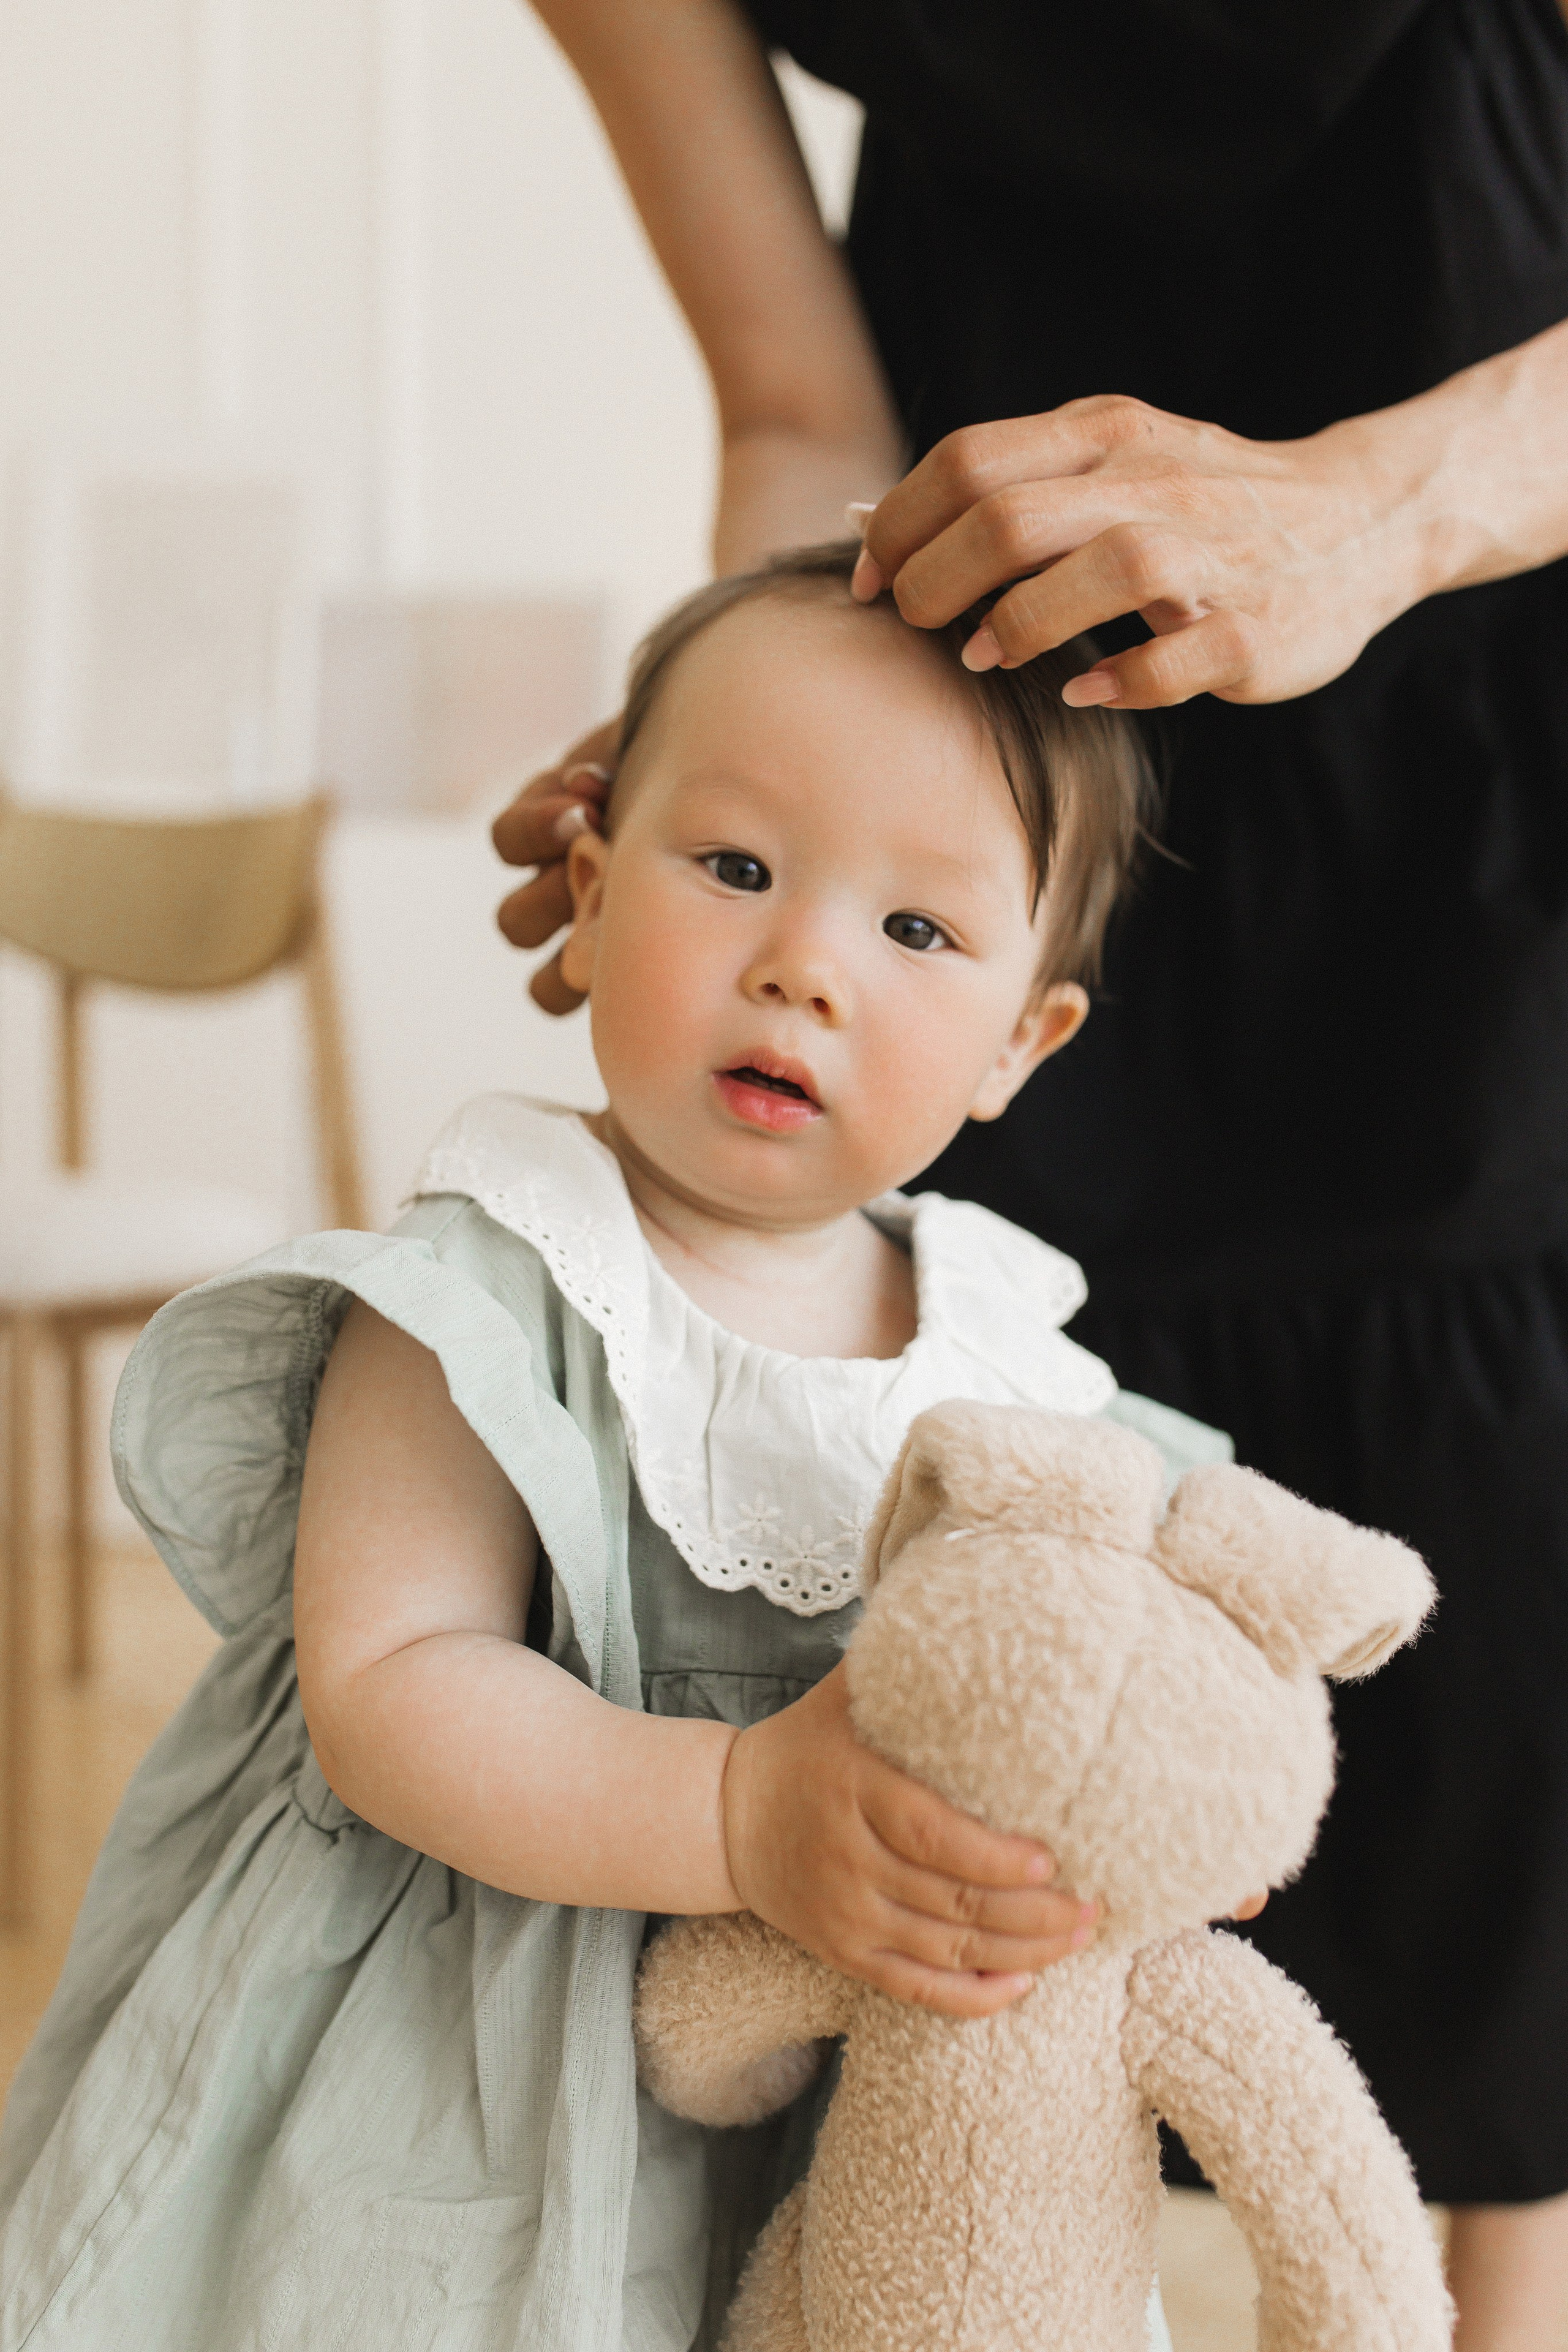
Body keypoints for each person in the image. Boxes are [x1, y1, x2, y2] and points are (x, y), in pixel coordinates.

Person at [496, 9, 1568, 2344]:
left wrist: (1381, 506)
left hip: (1498, 656)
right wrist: (766, 754)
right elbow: (806, 404)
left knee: (1509, 1652)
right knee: (1011, 1597)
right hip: (1005, 741)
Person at [0, 547, 1243, 2350]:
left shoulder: (1005, 1359)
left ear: (1019, 1044)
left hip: (872, 2129)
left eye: (917, 933)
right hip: (469, 2089)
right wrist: (740, 1813)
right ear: (587, 899)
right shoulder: (493, 1281)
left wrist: (1182, 1788)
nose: (803, 965)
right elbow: (390, 1680)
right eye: (736, 868)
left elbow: (1173, 1626)